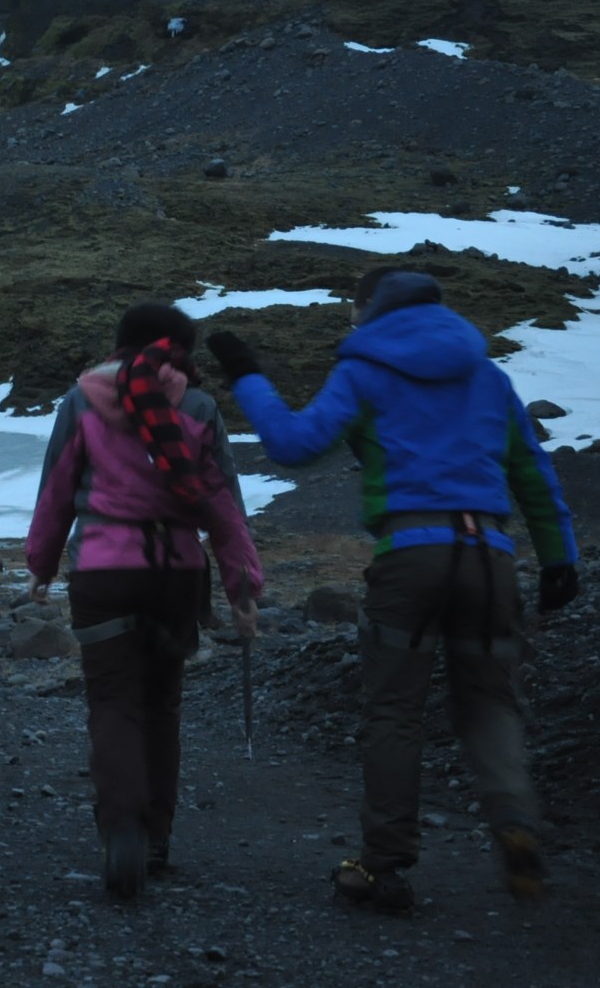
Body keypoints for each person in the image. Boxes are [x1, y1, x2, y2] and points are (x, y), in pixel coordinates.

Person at [209, 267, 579, 910]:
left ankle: (383, 864)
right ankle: (515, 825)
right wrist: (558, 562)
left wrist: (247, 374)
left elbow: (294, 446)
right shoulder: (489, 377)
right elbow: (533, 474)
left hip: (411, 556)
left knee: (394, 711)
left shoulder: (366, 370)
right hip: (489, 556)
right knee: (490, 702)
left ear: (370, 312)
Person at [26, 302, 264, 899]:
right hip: (177, 574)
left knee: (113, 702)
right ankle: (157, 835)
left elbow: (57, 488)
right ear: (180, 350)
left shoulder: (82, 400)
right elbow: (225, 505)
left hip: (103, 573)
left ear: (119, 345)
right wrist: (242, 589)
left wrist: (42, 566)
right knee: (162, 705)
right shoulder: (201, 408)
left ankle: (123, 832)